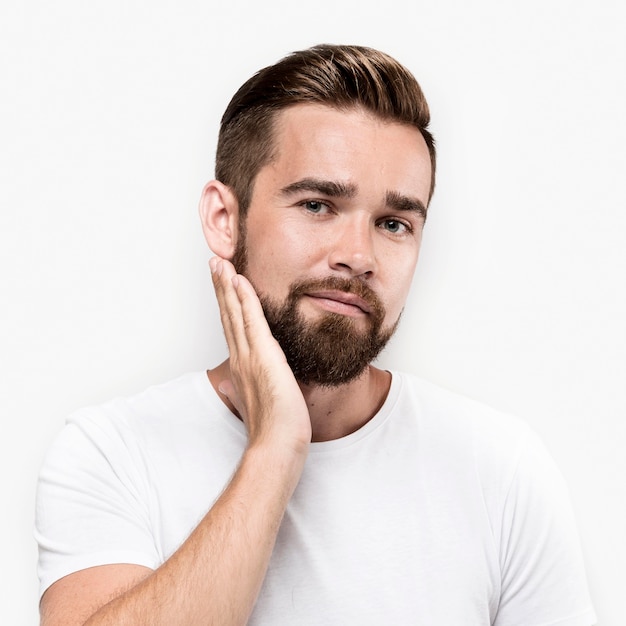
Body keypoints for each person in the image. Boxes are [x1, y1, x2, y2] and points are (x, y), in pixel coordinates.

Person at [35, 44, 596, 626]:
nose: (358, 256)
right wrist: (276, 447)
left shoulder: (499, 469)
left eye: (393, 223)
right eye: (318, 205)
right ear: (225, 220)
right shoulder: (112, 453)